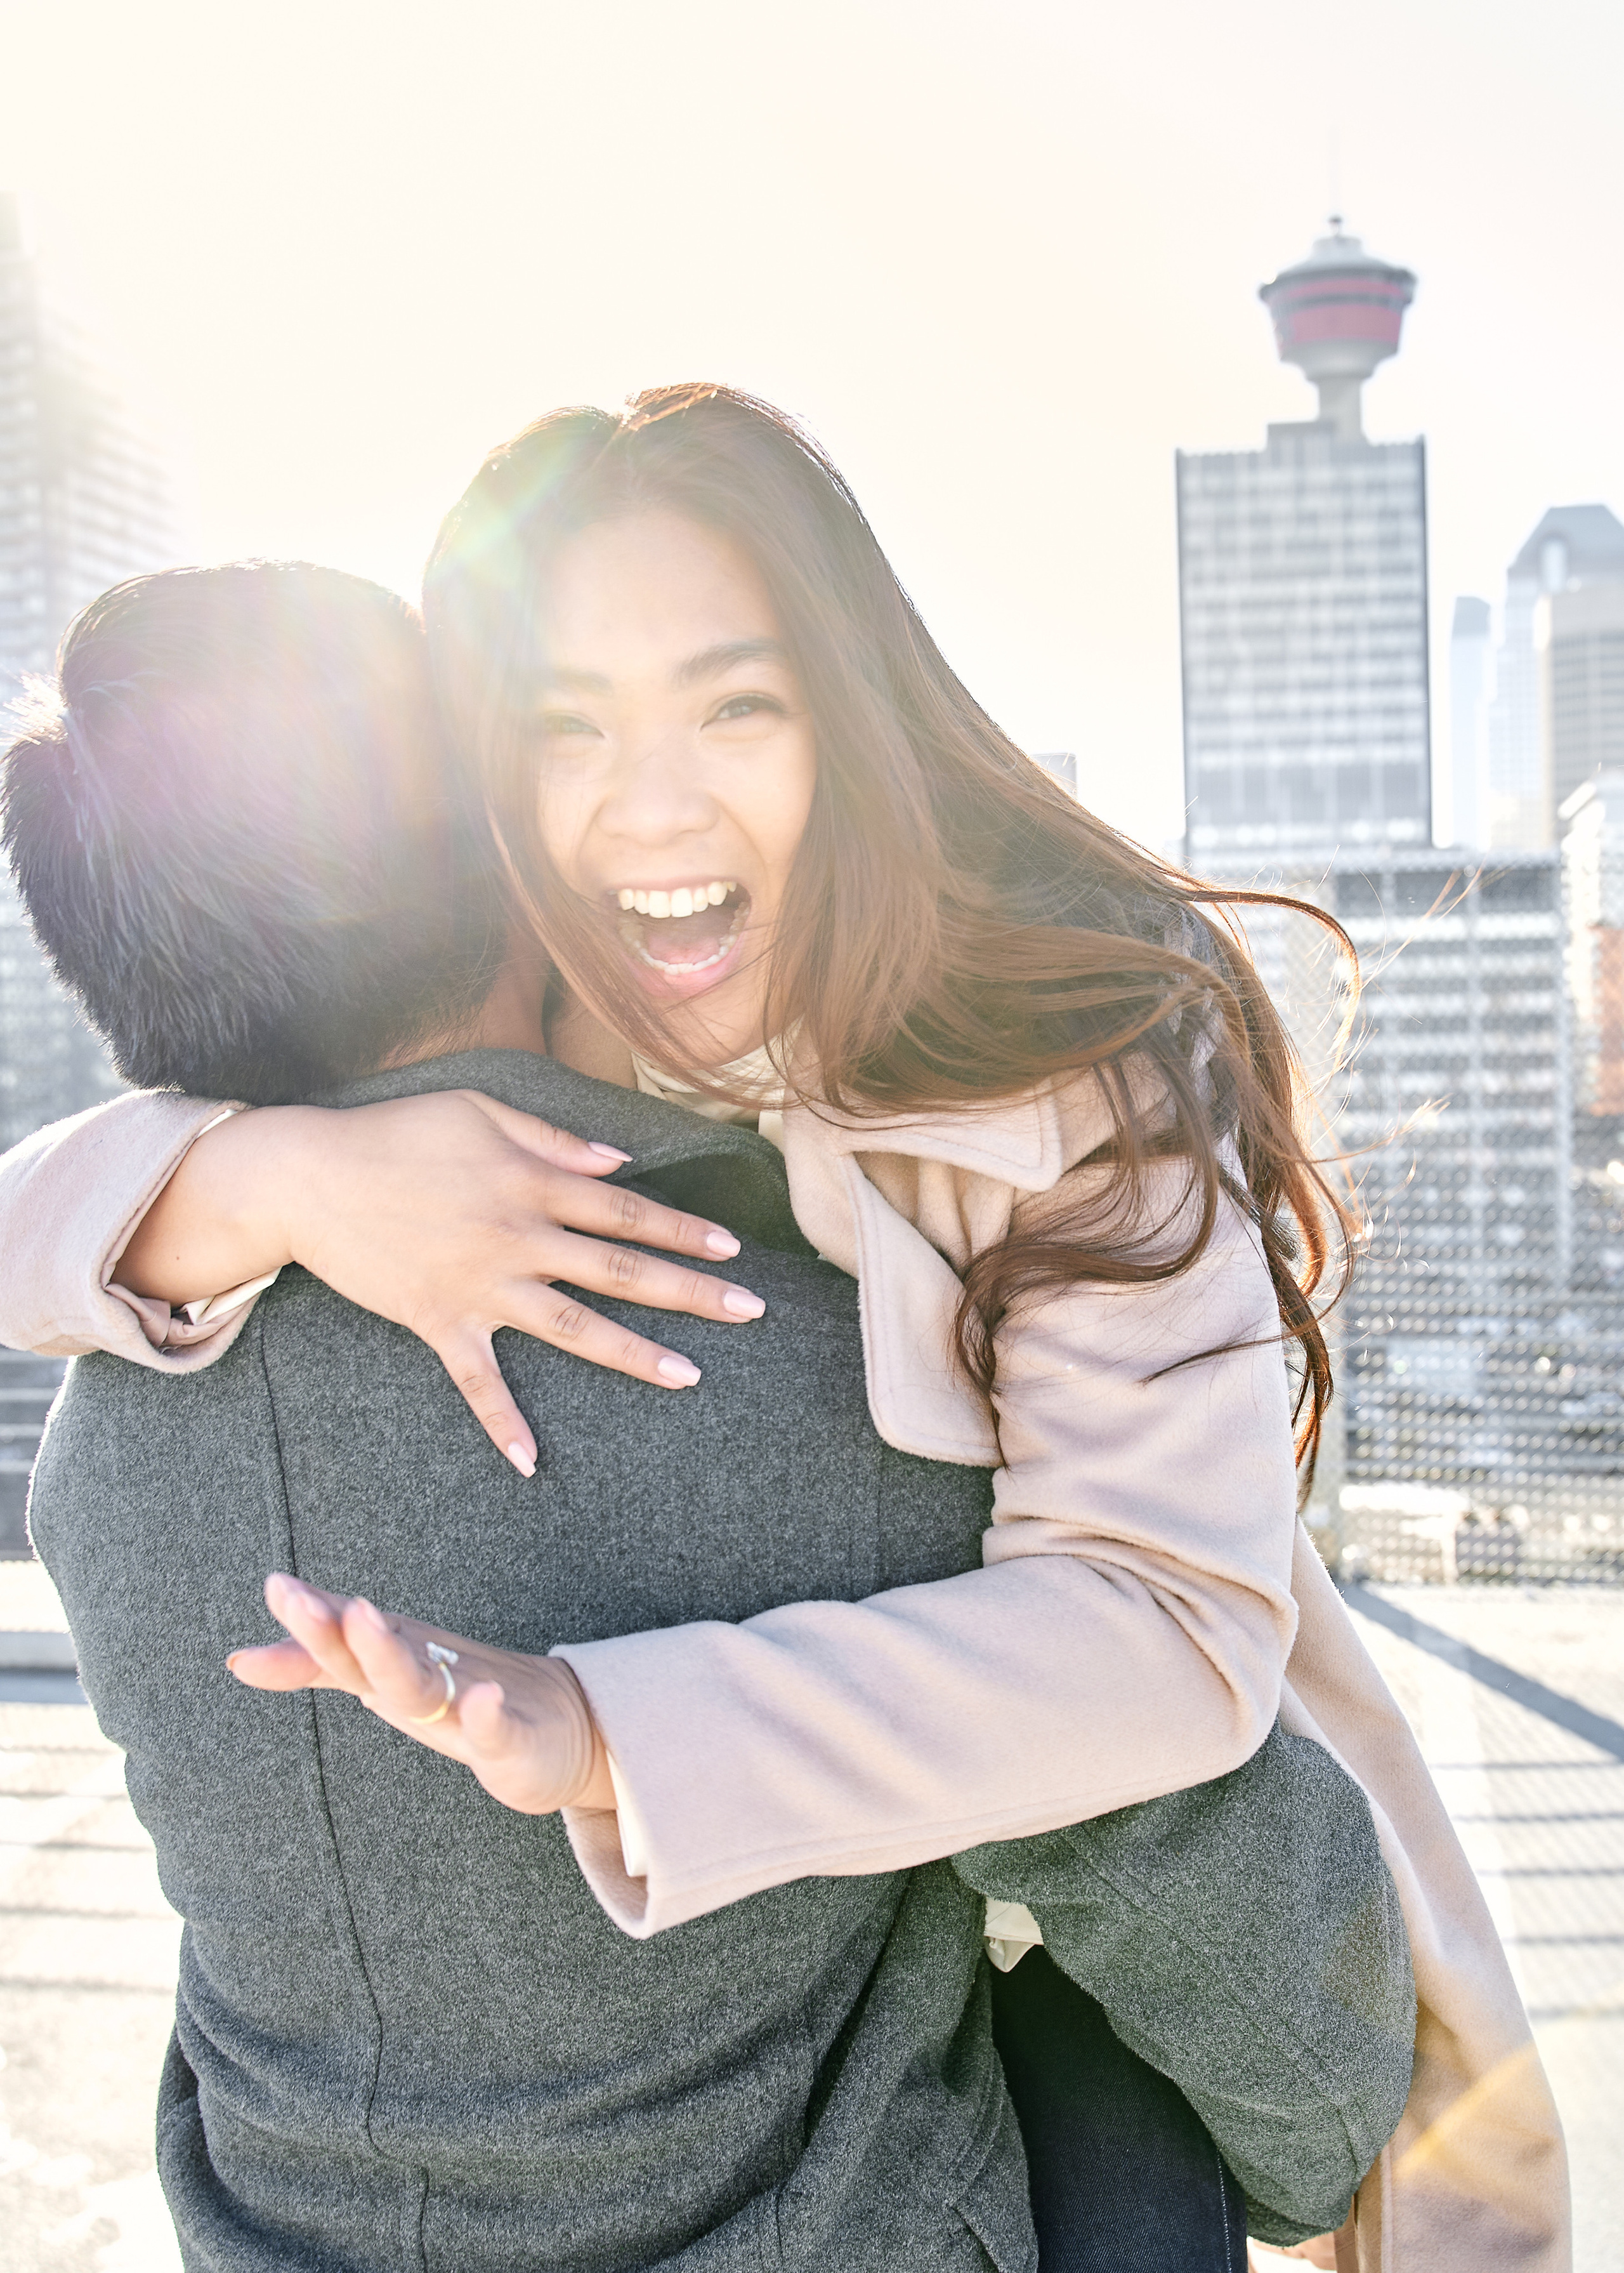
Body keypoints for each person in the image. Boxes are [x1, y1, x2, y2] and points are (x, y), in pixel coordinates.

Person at [0, 390, 1569, 2271]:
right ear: (481, 820)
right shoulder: (816, 1372)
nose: (648, 807)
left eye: (735, 705)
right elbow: (1266, 2012)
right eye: (560, 728)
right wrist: (287, 1177)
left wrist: (273, 1178)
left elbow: (1162, 1637)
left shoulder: (104, 1454)